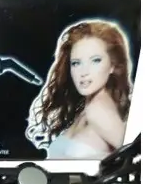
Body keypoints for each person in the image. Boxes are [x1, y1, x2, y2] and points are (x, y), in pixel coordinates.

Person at [25, 19, 134, 159]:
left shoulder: (98, 111)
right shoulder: (87, 107)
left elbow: (135, 159)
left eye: (95, 60)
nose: (83, 72)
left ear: (112, 65)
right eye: (76, 63)